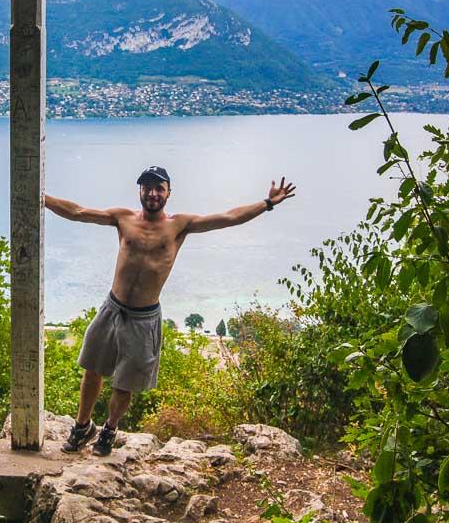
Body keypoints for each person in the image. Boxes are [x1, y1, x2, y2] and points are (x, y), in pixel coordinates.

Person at [44, 166, 296, 456]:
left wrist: (266, 204)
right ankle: (82, 426)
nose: (152, 193)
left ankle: (109, 430)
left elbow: (228, 218)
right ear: (139, 190)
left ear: (168, 192)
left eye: (158, 188)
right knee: (92, 370)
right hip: (112, 309)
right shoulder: (122, 218)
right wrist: (43, 197)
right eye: (147, 187)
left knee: (124, 383)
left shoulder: (180, 225)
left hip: (144, 318)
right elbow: (77, 211)